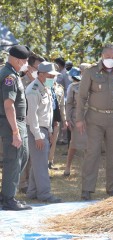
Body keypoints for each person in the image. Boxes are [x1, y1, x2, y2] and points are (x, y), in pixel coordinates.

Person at [76, 43, 113, 200]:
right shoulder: (91, 71)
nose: (112, 59)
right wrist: (79, 119)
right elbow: (81, 96)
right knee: (92, 153)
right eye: (108, 57)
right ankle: (87, 189)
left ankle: (111, 189)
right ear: (102, 56)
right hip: (94, 118)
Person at [0, 45, 32, 210]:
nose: (26, 64)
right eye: (26, 61)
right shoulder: (9, 77)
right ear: (19, 60)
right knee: (14, 160)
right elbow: (8, 106)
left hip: (18, 122)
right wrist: (15, 132)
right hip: (11, 123)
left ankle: (6, 193)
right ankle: (8, 199)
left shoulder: (13, 73)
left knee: (22, 156)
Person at [25, 61, 62, 203]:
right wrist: (38, 135)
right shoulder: (33, 90)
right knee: (41, 164)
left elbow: (48, 112)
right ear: (41, 75)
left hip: (44, 129)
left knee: (38, 162)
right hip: (37, 130)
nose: (53, 77)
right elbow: (32, 116)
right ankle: (44, 194)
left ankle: (32, 191)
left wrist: (51, 131)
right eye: (50, 75)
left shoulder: (45, 87)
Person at [19, 54, 45, 194]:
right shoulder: (20, 81)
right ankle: (22, 183)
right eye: (38, 68)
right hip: (21, 122)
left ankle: (31, 183)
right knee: (23, 154)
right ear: (29, 67)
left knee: (34, 155)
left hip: (35, 122)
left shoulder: (42, 83)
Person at [64, 67, 87, 176]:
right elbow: (69, 103)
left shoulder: (96, 86)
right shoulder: (73, 86)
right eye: (83, 71)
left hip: (91, 118)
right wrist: (68, 118)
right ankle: (68, 166)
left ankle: (86, 169)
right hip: (77, 118)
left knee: (90, 145)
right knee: (73, 143)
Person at [48, 74, 67, 170]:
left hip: (56, 119)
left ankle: (50, 161)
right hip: (45, 118)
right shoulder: (43, 85)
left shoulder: (59, 88)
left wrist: (64, 120)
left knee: (54, 141)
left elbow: (62, 105)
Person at [54, 57, 70, 145]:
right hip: (57, 99)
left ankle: (64, 138)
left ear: (59, 65)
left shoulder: (66, 74)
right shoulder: (58, 73)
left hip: (64, 99)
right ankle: (60, 137)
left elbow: (68, 87)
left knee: (64, 118)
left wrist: (66, 99)